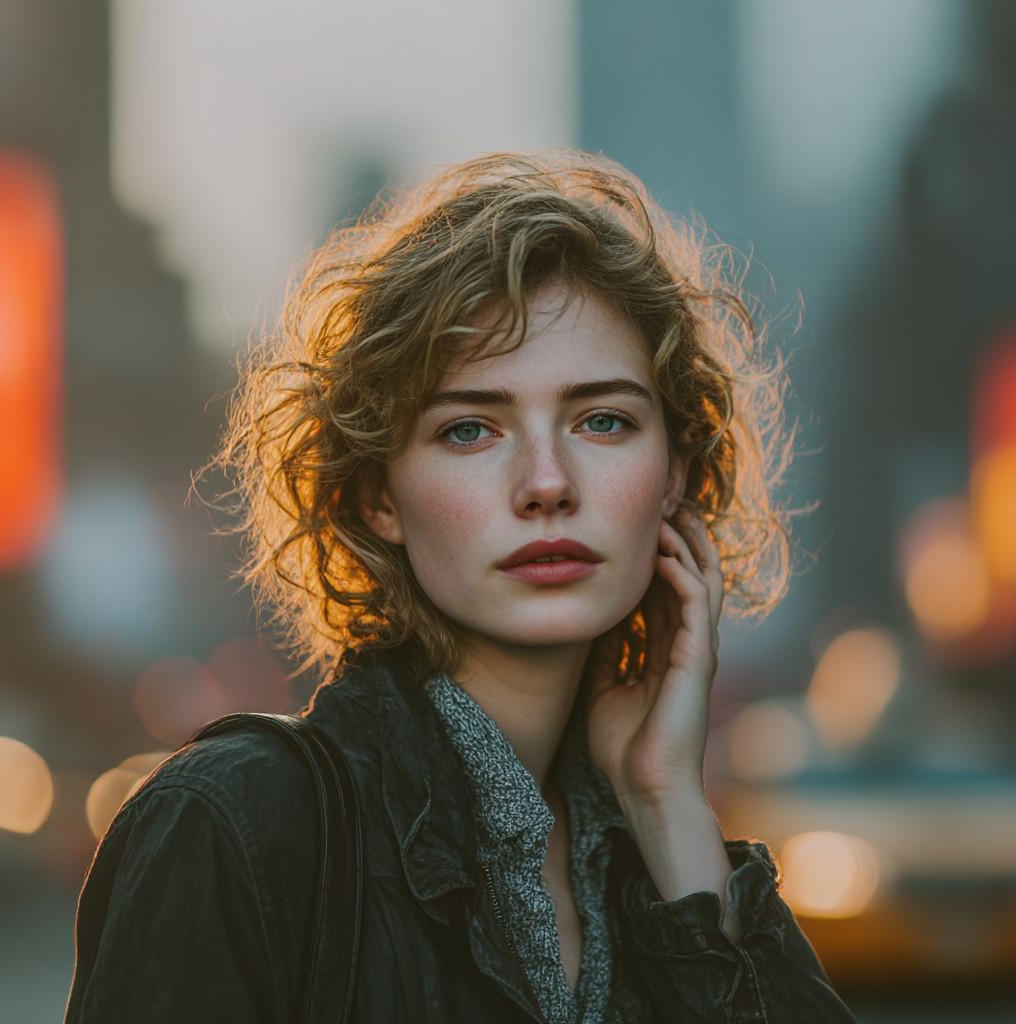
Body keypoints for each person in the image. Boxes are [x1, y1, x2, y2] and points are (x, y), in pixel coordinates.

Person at [64, 148, 856, 1022]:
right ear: (377, 497)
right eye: (472, 429)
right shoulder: (232, 824)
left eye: (603, 420)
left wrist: (667, 803)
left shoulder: (659, 855)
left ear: (672, 475)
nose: (547, 482)